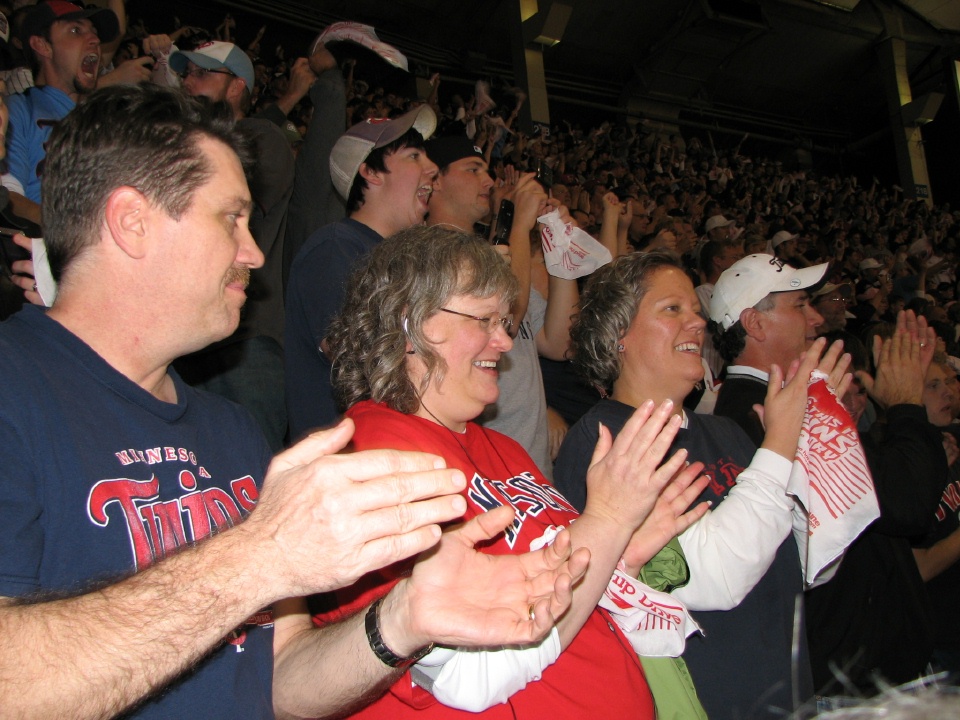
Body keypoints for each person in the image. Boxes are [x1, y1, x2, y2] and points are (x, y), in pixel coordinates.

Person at [0, 84, 584, 720]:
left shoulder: (232, 431)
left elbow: (282, 682)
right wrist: (259, 557)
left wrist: (399, 622)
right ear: (132, 221)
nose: (253, 252)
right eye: (230, 219)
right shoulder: (15, 387)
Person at [323, 226, 711, 718]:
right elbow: (467, 669)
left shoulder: (504, 449)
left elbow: (564, 590)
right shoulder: (371, 452)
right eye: (484, 319)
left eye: (505, 321)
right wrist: (609, 519)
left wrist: (618, 557)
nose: (505, 340)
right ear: (408, 325)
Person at [553, 249, 850, 719]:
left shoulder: (725, 432)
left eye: (696, 310)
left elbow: (814, 562)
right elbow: (715, 576)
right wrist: (781, 441)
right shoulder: (605, 440)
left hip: (789, 697)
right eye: (672, 310)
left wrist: (813, 446)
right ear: (618, 336)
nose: (696, 323)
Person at [803, 312, 946, 696]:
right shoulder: (816, 439)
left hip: (888, 672)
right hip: (852, 685)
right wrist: (905, 405)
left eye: (860, 389)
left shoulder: (874, 444)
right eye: (839, 387)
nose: (854, 401)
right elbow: (911, 508)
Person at [284, 103, 438, 440]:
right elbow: (354, 358)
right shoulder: (334, 249)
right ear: (370, 172)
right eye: (414, 156)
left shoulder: (403, 259)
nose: (432, 168)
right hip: (345, 461)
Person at [170, 40, 294, 449]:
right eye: (186, 72)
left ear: (237, 86)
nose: (189, 81)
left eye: (203, 73)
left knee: (255, 474)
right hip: (187, 333)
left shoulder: (263, 137)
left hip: (247, 340)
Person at [3, 0, 119, 218]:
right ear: (42, 45)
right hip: (54, 243)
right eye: (76, 30)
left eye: (94, 33)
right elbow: (8, 198)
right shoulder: (17, 109)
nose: (94, 40)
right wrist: (72, 235)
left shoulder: (108, 119)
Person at [710, 253, 828, 446]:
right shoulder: (749, 417)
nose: (817, 319)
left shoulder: (753, 401)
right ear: (754, 323)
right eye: (800, 306)